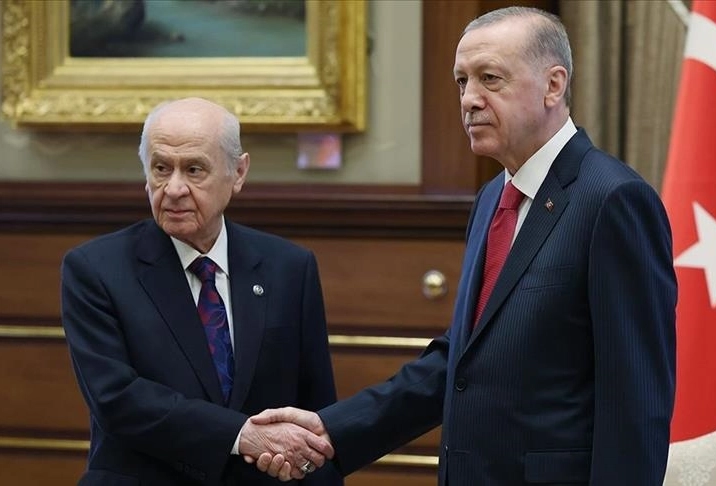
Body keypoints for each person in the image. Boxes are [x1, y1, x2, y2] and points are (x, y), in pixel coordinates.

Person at [249, 6, 678, 485]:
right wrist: (331, 430)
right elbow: (462, 361)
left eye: (490, 79)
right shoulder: (493, 197)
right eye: (461, 82)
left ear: (553, 86)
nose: (470, 99)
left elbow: (634, 406)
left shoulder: (613, 200)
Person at [60, 97, 343, 486]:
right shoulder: (96, 269)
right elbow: (117, 399)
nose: (174, 188)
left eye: (194, 170)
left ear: (238, 173)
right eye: (161, 168)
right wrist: (240, 435)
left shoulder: (289, 268)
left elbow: (316, 413)